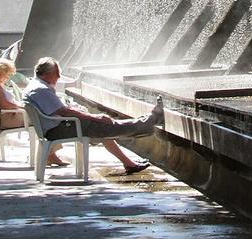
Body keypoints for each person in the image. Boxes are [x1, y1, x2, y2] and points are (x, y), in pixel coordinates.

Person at [23, 57, 164, 175]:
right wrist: (95, 117)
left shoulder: (35, 85)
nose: (59, 77)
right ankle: (152, 119)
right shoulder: (41, 90)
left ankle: (129, 163)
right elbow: (65, 112)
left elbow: (60, 110)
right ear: (47, 74)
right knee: (111, 126)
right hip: (61, 129)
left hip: (59, 126)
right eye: (57, 73)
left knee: (105, 130)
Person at [0, 57, 65, 167]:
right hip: (5, 118)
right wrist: (22, 106)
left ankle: (48, 154)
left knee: (42, 117)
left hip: (4, 116)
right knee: (43, 119)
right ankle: (49, 155)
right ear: (1, 72)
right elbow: (3, 104)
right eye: (7, 74)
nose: (8, 77)